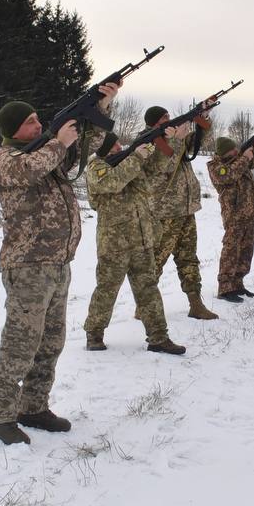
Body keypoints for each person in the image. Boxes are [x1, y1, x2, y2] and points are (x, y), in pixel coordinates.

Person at [0, 84, 118, 446]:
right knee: (20, 343)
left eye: (37, 118)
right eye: (30, 122)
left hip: (57, 264)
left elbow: (85, 146)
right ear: (14, 131)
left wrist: (100, 107)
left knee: (50, 341)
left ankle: (33, 406)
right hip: (28, 266)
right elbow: (30, 170)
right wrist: (57, 141)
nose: (38, 124)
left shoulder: (48, 153)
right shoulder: (6, 160)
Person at [82, 132, 188, 355]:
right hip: (114, 242)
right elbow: (111, 182)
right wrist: (136, 156)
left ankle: (159, 337)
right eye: (115, 145)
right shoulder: (95, 167)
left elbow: (157, 167)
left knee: (149, 289)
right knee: (107, 290)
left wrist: (171, 141)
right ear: (104, 149)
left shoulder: (130, 161)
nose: (120, 147)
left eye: (120, 143)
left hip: (142, 239)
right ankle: (94, 334)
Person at [141, 104, 219, 320]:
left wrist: (202, 120)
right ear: (154, 123)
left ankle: (195, 303)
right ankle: (143, 306)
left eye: (169, 116)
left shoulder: (173, 138)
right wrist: (174, 139)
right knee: (156, 260)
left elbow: (196, 144)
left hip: (185, 209)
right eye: (164, 118)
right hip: (164, 212)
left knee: (188, 258)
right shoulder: (149, 142)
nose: (169, 120)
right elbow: (163, 166)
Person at [207, 127, 254, 302]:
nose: (236, 151)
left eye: (236, 149)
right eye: (232, 150)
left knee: (246, 249)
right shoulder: (216, 166)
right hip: (234, 214)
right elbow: (228, 176)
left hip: (248, 213)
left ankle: (237, 283)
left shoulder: (238, 160)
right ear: (224, 152)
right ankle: (225, 288)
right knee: (231, 249)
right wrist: (244, 158)